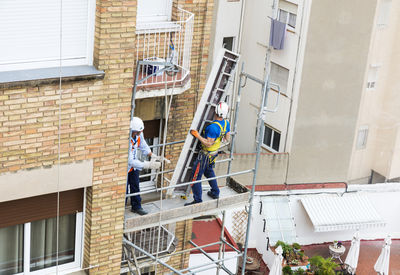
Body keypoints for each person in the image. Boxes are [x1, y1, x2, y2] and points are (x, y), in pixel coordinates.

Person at [184, 102, 231, 206]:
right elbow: (227, 139)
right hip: (213, 154)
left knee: (196, 177)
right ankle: (215, 192)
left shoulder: (213, 127)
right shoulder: (226, 123)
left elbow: (208, 143)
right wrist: (218, 140)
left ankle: (197, 200)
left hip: (205, 155)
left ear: (216, 111)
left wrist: (197, 135)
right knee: (209, 172)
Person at [127, 117, 161, 215]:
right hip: (126, 168)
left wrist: (153, 155)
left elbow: (143, 145)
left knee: (135, 187)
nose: (138, 135)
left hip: (134, 167)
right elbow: (130, 161)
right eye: (137, 133)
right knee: (124, 191)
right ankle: (120, 211)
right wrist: (148, 165)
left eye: (139, 133)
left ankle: (136, 206)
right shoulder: (127, 139)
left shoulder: (138, 134)